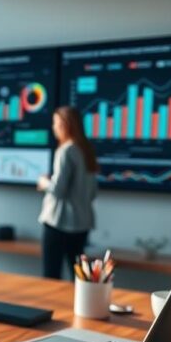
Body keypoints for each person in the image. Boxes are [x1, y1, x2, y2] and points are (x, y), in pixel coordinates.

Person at [37, 106, 99, 280]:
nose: (53, 128)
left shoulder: (66, 150)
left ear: (65, 125)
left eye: (55, 123)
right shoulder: (86, 150)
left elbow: (58, 190)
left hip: (59, 222)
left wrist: (43, 182)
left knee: (51, 276)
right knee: (79, 276)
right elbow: (93, 193)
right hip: (82, 222)